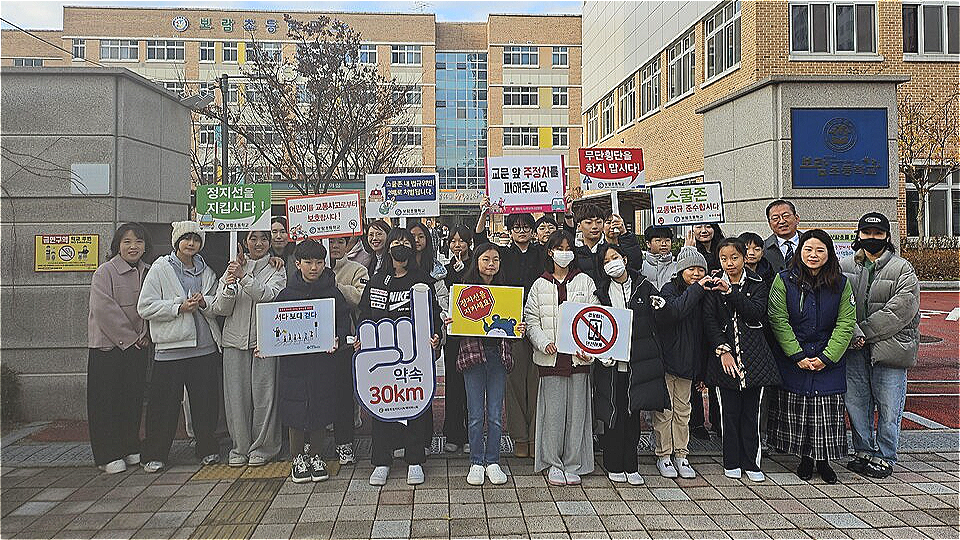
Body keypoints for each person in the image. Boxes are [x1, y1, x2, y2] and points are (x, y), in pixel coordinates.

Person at [768, 229, 856, 484]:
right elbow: (778, 319)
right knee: (800, 411)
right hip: (794, 357)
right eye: (808, 249)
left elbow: (846, 323)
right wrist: (796, 354)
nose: (813, 255)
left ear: (829, 254)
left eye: (819, 250)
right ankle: (805, 459)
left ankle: (824, 461)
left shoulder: (841, 283)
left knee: (826, 412)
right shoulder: (784, 280)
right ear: (800, 252)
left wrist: (827, 357)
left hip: (828, 358)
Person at [358, 228, 443, 486]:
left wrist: (436, 336)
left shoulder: (422, 281)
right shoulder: (377, 281)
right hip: (382, 355)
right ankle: (382, 461)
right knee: (383, 406)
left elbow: (434, 314)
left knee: (413, 405)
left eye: (406, 242)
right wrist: (362, 337)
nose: (401, 246)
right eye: (396, 242)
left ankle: (415, 459)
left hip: (414, 356)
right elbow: (364, 314)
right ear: (388, 247)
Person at [137, 221, 222, 473]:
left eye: (196, 239)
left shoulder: (207, 270)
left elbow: (216, 302)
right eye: (186, 239)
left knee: (205, 403)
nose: (191, 244)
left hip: (204, 346)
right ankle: (155, 453)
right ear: (176, 241)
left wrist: (204, 302)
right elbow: (145, 306)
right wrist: (177, 307)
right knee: (163, 404)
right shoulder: (160, 268)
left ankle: (207, 449)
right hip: (170, 347)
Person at [840, 212, 920, 479]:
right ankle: (863, 450)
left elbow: (901, 310)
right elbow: (836, 304)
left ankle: (885, 455)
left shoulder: (902, 268)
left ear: (887, 236)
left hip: (891, 348)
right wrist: (852, 333)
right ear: (858, 235)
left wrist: (863, 332)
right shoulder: (844, 266)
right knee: (856, 403)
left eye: (878, 233)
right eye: (866, 233)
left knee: (889, 406)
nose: (872, 238)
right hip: (854, 348)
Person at [703, 238, 782, 482]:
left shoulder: (758, 283)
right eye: (724, 258)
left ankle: (752, 463)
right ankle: (731, 461)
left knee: (752, 413)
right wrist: (722, 350)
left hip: (754, 357)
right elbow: (709, 321)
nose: (730, 263)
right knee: (729, 413)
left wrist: (731, 292)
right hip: (724, 358)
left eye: (734, 257)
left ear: (744, 257)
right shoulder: (712, 284)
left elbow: (756, 312)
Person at [273, 240, 352, 483]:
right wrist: (267, 344)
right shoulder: (287, 294)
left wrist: (338, 338)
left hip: (323, 362)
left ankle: (317, 455)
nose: (314, 267)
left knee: (321, 405)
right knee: (295, 407)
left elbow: (343, 321)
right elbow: (274, 326)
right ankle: (297, 457)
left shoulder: (332, 292)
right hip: (294, 364)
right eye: (308, 262)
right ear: (298, 264)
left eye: (319, 262)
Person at [525, 230, 598, 486]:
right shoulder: (540, 284)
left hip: (578, 359)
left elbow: (595, 315)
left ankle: (573, 462)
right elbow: (531, 319)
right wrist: (542, 342)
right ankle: (553, 463)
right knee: (552, 415)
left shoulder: (585, 282)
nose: (564, 253)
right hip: (551, 359)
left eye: (568, 248)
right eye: (559, 248)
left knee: (578, 414)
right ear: (550, 252)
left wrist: (589, 347)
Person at [593, 243, 670, 485]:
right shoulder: (601, 292)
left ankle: (631, 464)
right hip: (611, 364)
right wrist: (601, 354)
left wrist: (661, 308)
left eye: (614, 257)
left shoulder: (644, 286)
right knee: (613, 414)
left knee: (633, 413)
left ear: (625, 259)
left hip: (638, 362)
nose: (612, 264)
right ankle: (613, 463)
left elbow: (660, 318)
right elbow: (595, 326)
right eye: (606, 261)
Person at [475, 198, 545, 458]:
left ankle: (536, 436)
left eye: (526, 226)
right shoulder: (503, 255)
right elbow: (480, 241)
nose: (522, 231)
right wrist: (484, 213)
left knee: (537, 381)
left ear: (533, 230)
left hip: (540, 322)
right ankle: (520, 437)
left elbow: (565, 242)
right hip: (511, 324)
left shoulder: (542, 253)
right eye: (516, 227)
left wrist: (568, 215)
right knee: (514, 381)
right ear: (510, 230)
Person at [209, 231, 286, 468]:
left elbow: (269, 296)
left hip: (266, 342)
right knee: (236, 399)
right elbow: (220, 308)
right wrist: (230, 286)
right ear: (244, 243)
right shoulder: (233, 268)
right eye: (253, 239)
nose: (259, 243)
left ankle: (264, 447)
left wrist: (244, 277)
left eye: (264, 238)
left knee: (265, 397)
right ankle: (239, 447)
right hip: (234, 341)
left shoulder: (277, 268)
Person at [87, 223, 152, 474]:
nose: (133, 246)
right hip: (108, 348)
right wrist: (130, 338)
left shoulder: (149, 271)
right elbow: (104, 310)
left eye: (138, 241)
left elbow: (150, 306)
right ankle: (107, 454)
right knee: (105, 401)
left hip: (138, 345)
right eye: (127, 241)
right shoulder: (104, 272)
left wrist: (144, 335)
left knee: (132, 399)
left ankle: (129, 445)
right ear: (117, 245)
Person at [458, 243, 525, 485]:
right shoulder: (465, 290)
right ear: (476, 261)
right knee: (476, 414)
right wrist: (452, 322)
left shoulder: (505, 291)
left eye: (495, 259)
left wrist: (518, 328)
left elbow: (512, 330)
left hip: (498, 356)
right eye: (485, 259)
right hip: (473, 357)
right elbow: (457, 330)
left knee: (496, 414)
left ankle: (493, 460)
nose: (491, 264)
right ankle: (476, 461)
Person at [654, 246, 710, 479]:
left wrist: (702, 370)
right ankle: (663, 455)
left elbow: (707, 332)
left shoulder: (706, 292)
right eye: (691, 269)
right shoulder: (669, 289)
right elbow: (675, 311)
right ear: (680, 270)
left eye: (700, 269)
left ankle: (681, 454)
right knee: (664, 411)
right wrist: (697, 289)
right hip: (667, 361)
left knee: (683, 411)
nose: (696, 274)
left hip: (689, 363)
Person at [326, 236, 371, 465]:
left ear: (347, 245)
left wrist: (334, 285)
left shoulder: (357, 269)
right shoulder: (309, 269)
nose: (334, 246)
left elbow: (361, 298)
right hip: (316, 342)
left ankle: (345, 442)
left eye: (339, 242)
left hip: (346, 341)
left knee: (345, 392)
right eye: (330, 242)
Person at [408, 221, 450, 453]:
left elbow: (442, 303)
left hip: (428, 335)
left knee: (424, 384)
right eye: (412, 236)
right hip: (404, 336)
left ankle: (425, 438)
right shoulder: (396, 267)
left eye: (421, 236)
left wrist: (438, 332)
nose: (416, 241)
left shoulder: (436, 269)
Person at [689, 223, 724, 440]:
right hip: (695, 315)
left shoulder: (723, 249)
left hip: (717, 317)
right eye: (698, 226)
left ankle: (719, 422)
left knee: (715, 374)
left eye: (708, 226)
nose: (704, 230)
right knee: (695, 372)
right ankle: (696, 423)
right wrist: (688, 249)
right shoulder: (690, 251)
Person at [442, 225, 473, 454]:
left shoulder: (477, 266)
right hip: (453, 333)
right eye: (453, 241)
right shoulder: (444, 270)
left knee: (471, 385)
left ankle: (472, 434)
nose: (457, 245)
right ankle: (453, 433)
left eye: (461, 240)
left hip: (473, 333)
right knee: (453, 383)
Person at [763, 199, 801, 273]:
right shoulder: (763, 249)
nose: (782, 221)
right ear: (769, 224)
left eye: (786, 216)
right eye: (775, 218)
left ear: (796, 218)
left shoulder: (810, 243)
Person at [641, 226, 677, 290]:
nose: (664, 244)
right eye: (658, 240)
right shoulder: (641, 266)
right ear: (648, 244)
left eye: (667, 240)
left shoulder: (677, 266)